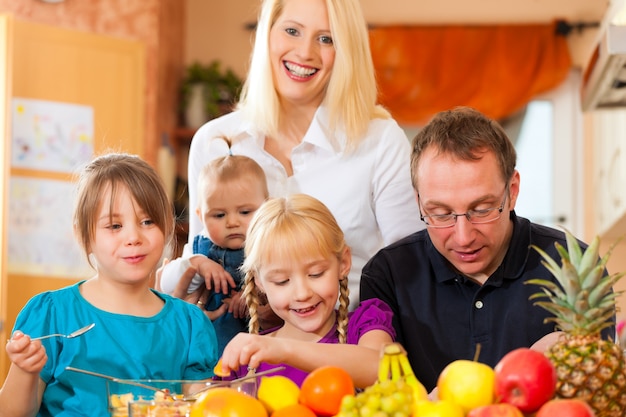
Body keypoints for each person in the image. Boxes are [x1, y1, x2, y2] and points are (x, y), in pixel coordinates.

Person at [183, 0, 423, 309]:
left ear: (346, 51)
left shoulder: (380, 141)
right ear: (267, 34)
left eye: (326, 38)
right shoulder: (214, 142)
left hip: (346, 345)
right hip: (237, 346)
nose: (305, 52)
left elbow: (411, 270)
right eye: (292, 31)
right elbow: (200, 259)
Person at [359, 107, 616, 393]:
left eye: (481, 210)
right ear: (419, 201)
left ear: (513, 190)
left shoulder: (576, 270)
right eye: (441, 213)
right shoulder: (387, 275)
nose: (463, 237)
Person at [0, 153, 218, 417]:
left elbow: (201, 409)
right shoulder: (51, 314)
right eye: (114, 226)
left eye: (147, 221)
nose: (133, 237)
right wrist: (25, 369)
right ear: (85, 235)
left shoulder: (189, 325)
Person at [217, 194, 395, 389]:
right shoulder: (246, 360)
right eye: (282, 281)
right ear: (259, 281)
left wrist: (284, 350)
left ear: (343, 263)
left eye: (316, 274)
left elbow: (381, 370)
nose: (302, 294)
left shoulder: (364, 326)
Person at [160, 137, 269, 355]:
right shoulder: (202, 246)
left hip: (259, 344)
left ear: (267, 207)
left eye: (245, 212)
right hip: (209, 345)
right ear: (201, 215)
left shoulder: (269, 245)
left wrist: (254, 293)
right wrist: (196, 265)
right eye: (219, 215)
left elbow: (282, 282)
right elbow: (166, 284)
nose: (232, 222)